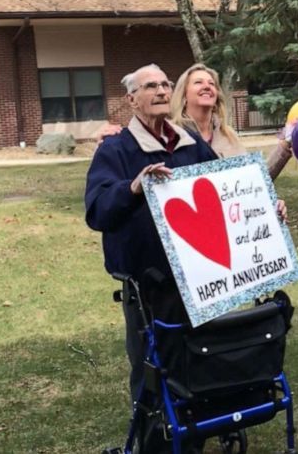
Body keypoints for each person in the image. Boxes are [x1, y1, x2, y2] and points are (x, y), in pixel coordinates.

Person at [85, 63, 218, 404]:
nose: (160, 91)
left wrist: (266, 206)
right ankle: (154, 436)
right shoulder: (115, 149)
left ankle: (197, 427)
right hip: (148, 283)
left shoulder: (190, 144)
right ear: (131, 100)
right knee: (151, 363)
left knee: (199, 353)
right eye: (150, 86)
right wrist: (132, 188)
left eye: (164, 84)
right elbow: (97, 210)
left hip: (199, 273)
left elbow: (224, 189)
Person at [169, 63, 293, 181]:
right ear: (184, 95)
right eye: (198, 82)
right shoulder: (169, 137)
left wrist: (284, 145)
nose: (207, 86)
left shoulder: (229, 136)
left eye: (212, 84)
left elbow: (253, 183)